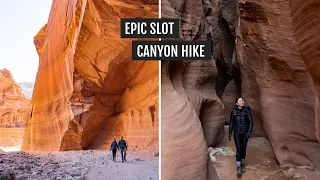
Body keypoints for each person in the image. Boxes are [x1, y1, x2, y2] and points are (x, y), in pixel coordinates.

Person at [228, 97, 253, 176]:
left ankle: (242, 164)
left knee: (243, 148)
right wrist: (229, 133)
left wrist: (249, 132)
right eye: (240, 101)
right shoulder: (234, 111)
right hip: (237, 133)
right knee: (239, 149)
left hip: (245, 133)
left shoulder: (247, 111)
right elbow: (231, 122)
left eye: (242, 100)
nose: (242, 102)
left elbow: (251, 122)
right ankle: (238, 168)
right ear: (236, 103)